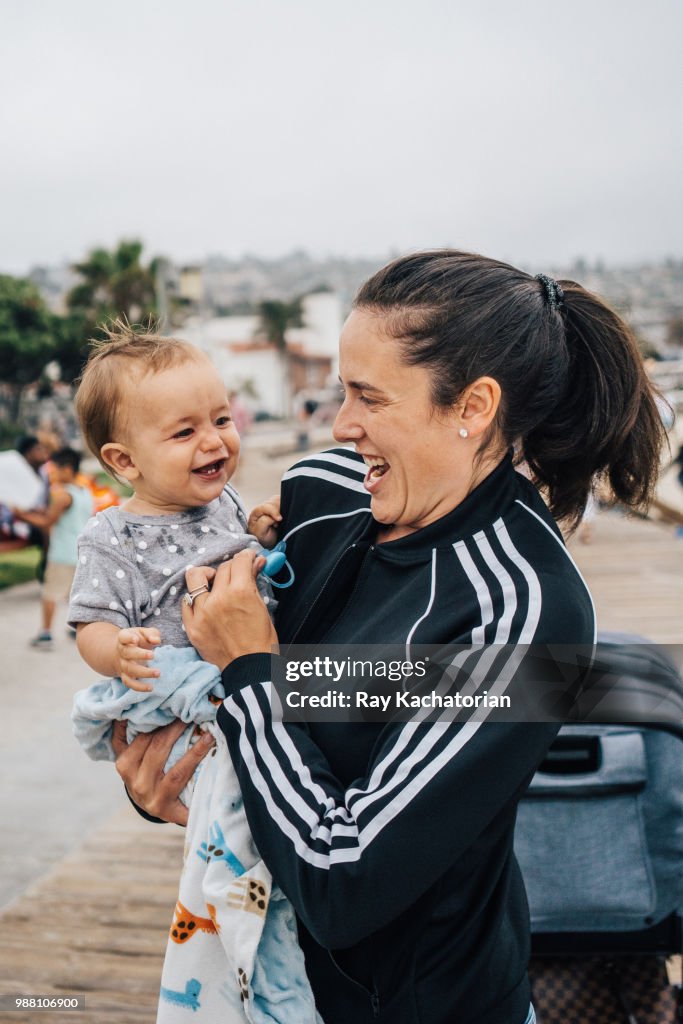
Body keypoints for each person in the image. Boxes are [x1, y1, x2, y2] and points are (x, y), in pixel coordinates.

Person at [115, 251, 665, 1024]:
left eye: (368, 396)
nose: (342, 425)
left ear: (472, 406)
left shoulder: (522, 610)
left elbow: (345, 878)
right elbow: (269, 707)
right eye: (344, 390)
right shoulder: (325, 493)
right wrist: (164, 779)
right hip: (253, 972)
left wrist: (247, 669)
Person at [68, 322, 317, 1024]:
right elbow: (89, 622)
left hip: (239, 689)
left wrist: (267, 532)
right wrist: (116, 651)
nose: (215, 441)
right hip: (183, 694)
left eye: (220, 419)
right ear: (125, 461)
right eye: (184, 433)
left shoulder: (226, 504)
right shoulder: (112, 535)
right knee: (237, 826)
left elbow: (247, 555)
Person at [12, 446, 93, 649]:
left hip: (62, 554)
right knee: (74, 595)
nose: (52, 473)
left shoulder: (64, 495)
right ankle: (77, 629)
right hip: (79, 552)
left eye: (55, 469)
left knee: (50, 594)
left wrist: (21, 515)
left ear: (67, 469)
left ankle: (46, 634)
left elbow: (47, 521)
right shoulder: (85, 491)